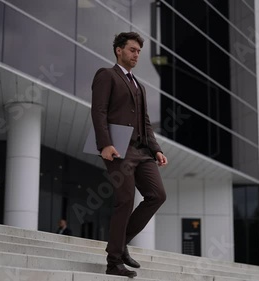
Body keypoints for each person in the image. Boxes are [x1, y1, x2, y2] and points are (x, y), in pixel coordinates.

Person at [91, 32, 168, 278]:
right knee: (125, 200)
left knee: (157, 195)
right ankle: (113, 262)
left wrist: (156, 149)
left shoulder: (140, 86)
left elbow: (145, 122)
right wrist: (105, 143)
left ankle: (120, 243)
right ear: (119, 50)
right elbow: (99, 111)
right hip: (118, 148)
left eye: (138, 51)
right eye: (132, 50)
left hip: (142, 150)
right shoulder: (106, 75)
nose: (136, 55)